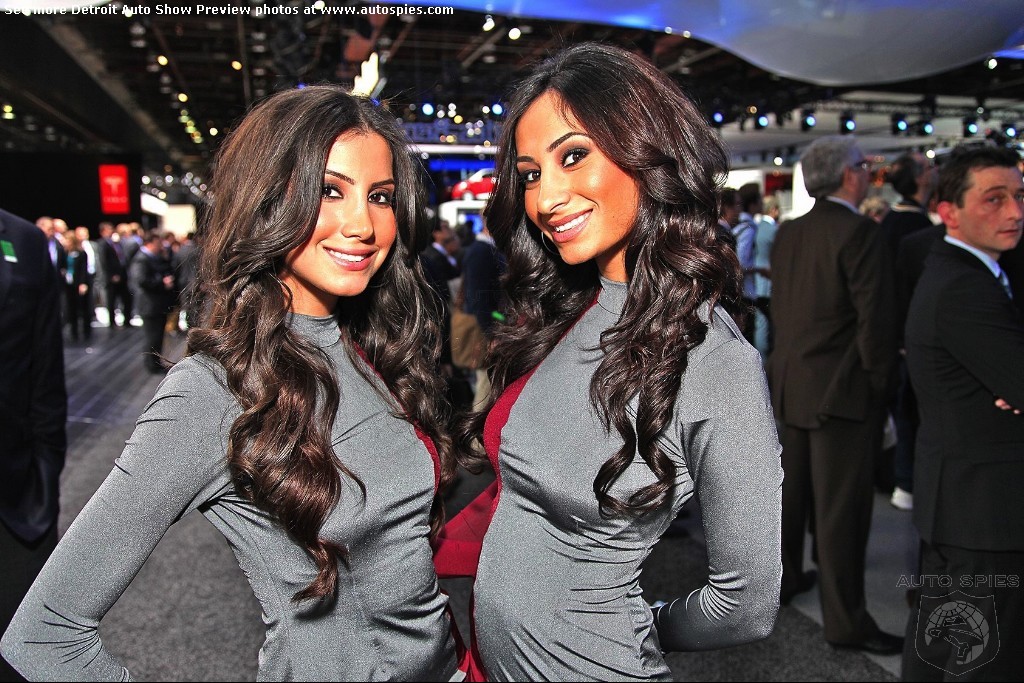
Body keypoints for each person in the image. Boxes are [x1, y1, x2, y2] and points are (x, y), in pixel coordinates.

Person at [1, 85, 460, 681]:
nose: (362, 224)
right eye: (329, 190)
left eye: (380, 196)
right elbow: (45, 634)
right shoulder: (213, 391)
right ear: (266, 200)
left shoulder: (373, 348)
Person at [440, 43, 782, 682]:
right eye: (530, 174)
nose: (545, 198)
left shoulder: (715, 359)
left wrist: (626, 626)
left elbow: (747, 604)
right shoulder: (571, 308)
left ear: (648, 152)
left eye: (573, 156)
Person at [769, 136, 901, 653]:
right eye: (864, 166)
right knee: (841, 514)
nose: (868, 174)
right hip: (841, 394)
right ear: (849, 175)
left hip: (791, 386)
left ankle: (782, 582)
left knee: (790, 501)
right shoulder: (860, 232)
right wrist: (879, 390)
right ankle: (846, 622)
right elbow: (876, 324)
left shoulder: (790, 232)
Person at [901, 145, 1024, 681]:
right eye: (994, 199)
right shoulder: (964, 287)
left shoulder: (968, 272)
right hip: (983, 510)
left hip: (963, 499)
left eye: (1019, 196)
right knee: (984, 660)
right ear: (949, 211)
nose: (1014, 211)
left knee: (939, 649)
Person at [0, 208, 67, 683]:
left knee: (23, 658)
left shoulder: (22, 240)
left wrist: (45, 471)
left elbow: (45, 372)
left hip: (14, 498)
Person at [127, 230, 176, 373]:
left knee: (158, 335)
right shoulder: (141, 259)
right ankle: (151, 365)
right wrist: (161, 282)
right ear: (150, 243)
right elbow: (142, 280)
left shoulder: (154, 257)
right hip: (149, 305)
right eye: (157, 243)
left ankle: (156, 362)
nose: (160, 245)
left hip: (157, 304)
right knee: (152, 336)